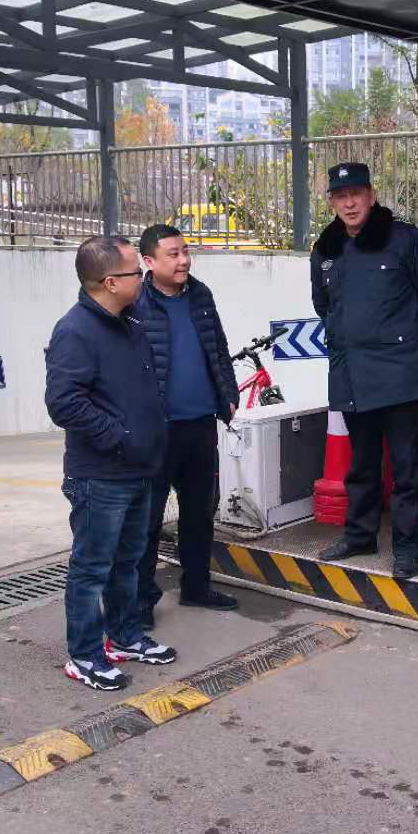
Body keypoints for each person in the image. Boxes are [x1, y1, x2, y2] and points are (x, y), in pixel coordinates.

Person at [45, 235, 177, 691]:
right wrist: (121, 438)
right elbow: (64, 403)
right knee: (92, 568)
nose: (142, 277)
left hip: (138, 468)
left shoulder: (130, 321)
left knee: (129, 561)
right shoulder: (75, 331)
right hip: (100, 475)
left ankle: (123, 636)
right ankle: (84, 655)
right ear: (109, 282)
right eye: (135, 272)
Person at [311, 163, 418, 580]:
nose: (350, 203)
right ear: (332, 203)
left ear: (371, 196)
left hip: (400, 370)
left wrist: (414, 348)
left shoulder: (405, 239)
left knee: (406, 466)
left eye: (356, 194)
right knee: (362, 462)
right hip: (351, 371)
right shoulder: (327, 248)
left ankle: (407, 548)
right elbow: (323, 305)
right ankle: (360, 535)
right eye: (340, 196)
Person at [132, 224, 240, 628]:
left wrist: (228, 393)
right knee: (147, 519)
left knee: (199, 512)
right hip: (157, 431)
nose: (183, 261)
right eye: (173, 254)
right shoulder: (136, 302)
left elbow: (219, 348)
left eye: (185, 252)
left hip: (200, 425)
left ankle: (197, 586)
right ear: (149, 261)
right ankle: (140, 601)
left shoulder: (200, 295)